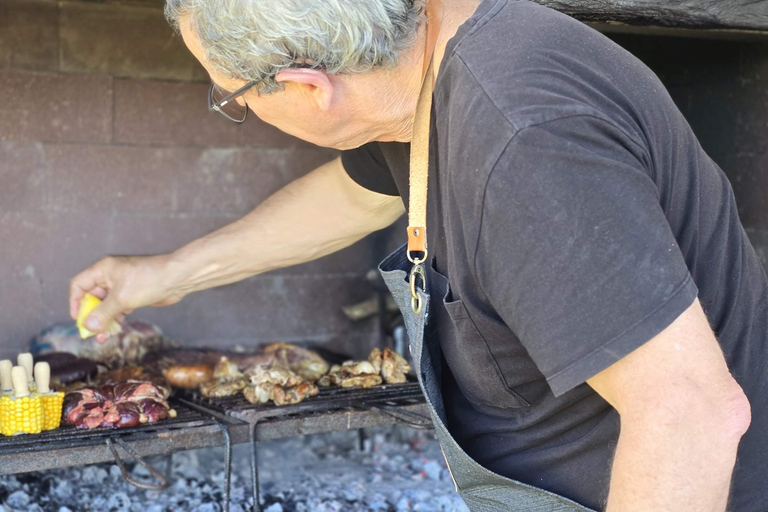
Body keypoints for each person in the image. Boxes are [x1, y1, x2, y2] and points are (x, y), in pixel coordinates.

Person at [69, 0, 767, 510]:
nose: (237, 108)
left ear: (309, 86)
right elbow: (351, 199)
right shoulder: (422, 71)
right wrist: (165, 275)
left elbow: (690, 415)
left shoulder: (522, 136)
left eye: (234, 96)